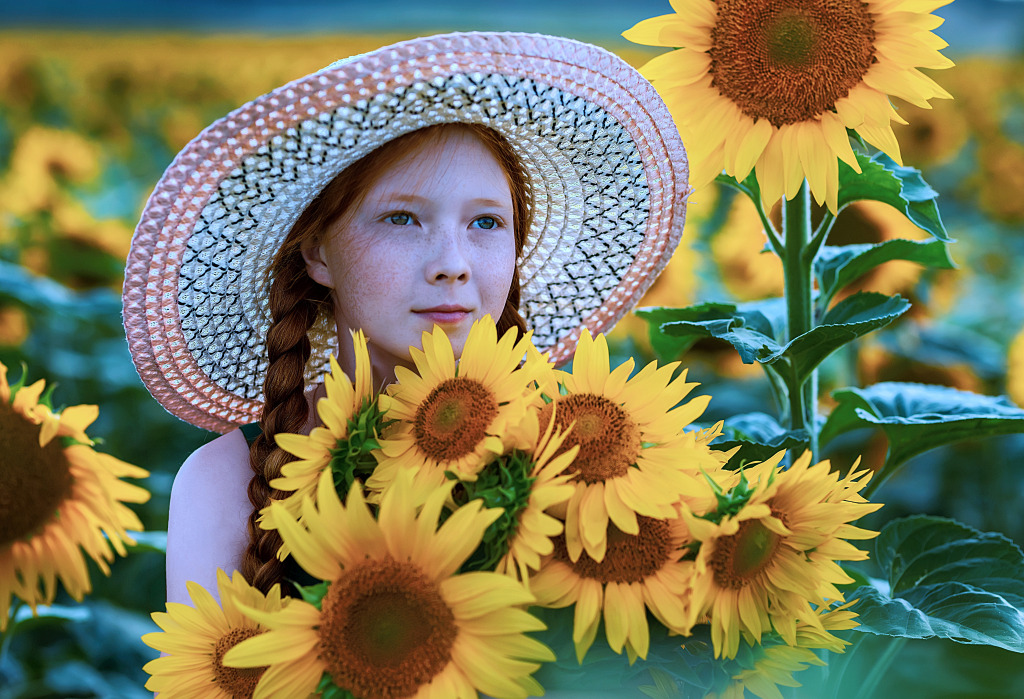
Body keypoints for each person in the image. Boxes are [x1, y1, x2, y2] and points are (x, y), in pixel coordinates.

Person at [121, 31, 690, 607]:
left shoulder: (584, 446)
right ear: (318, 254)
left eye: (487, 223)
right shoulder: (226, 483)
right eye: (401, 219)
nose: (452, 265)